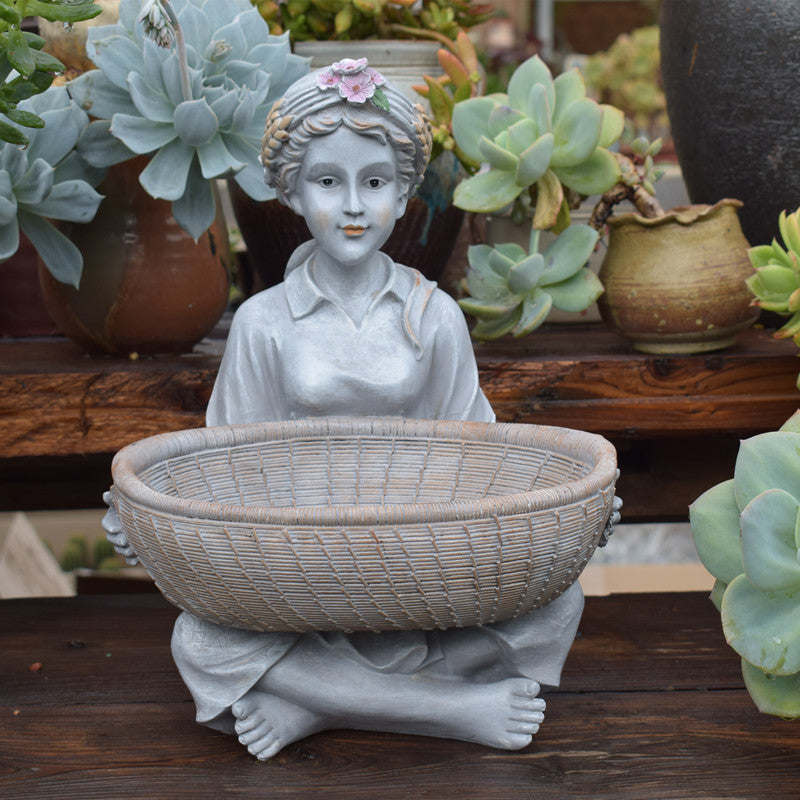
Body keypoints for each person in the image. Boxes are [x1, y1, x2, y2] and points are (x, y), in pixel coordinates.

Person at [108, 60, 586, 760]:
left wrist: (574, 514)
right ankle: (445, 707)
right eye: (329, 182)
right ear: (292, 191)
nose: (354, 206)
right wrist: (147, 520)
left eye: (376, 182)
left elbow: (479, 455)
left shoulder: (435, 316)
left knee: (559, 602)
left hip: (421, 565)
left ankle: (316, 703)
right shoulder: (264, 322)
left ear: (404, 193)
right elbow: (223, 462)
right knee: (200, 636)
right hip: (300, 573)